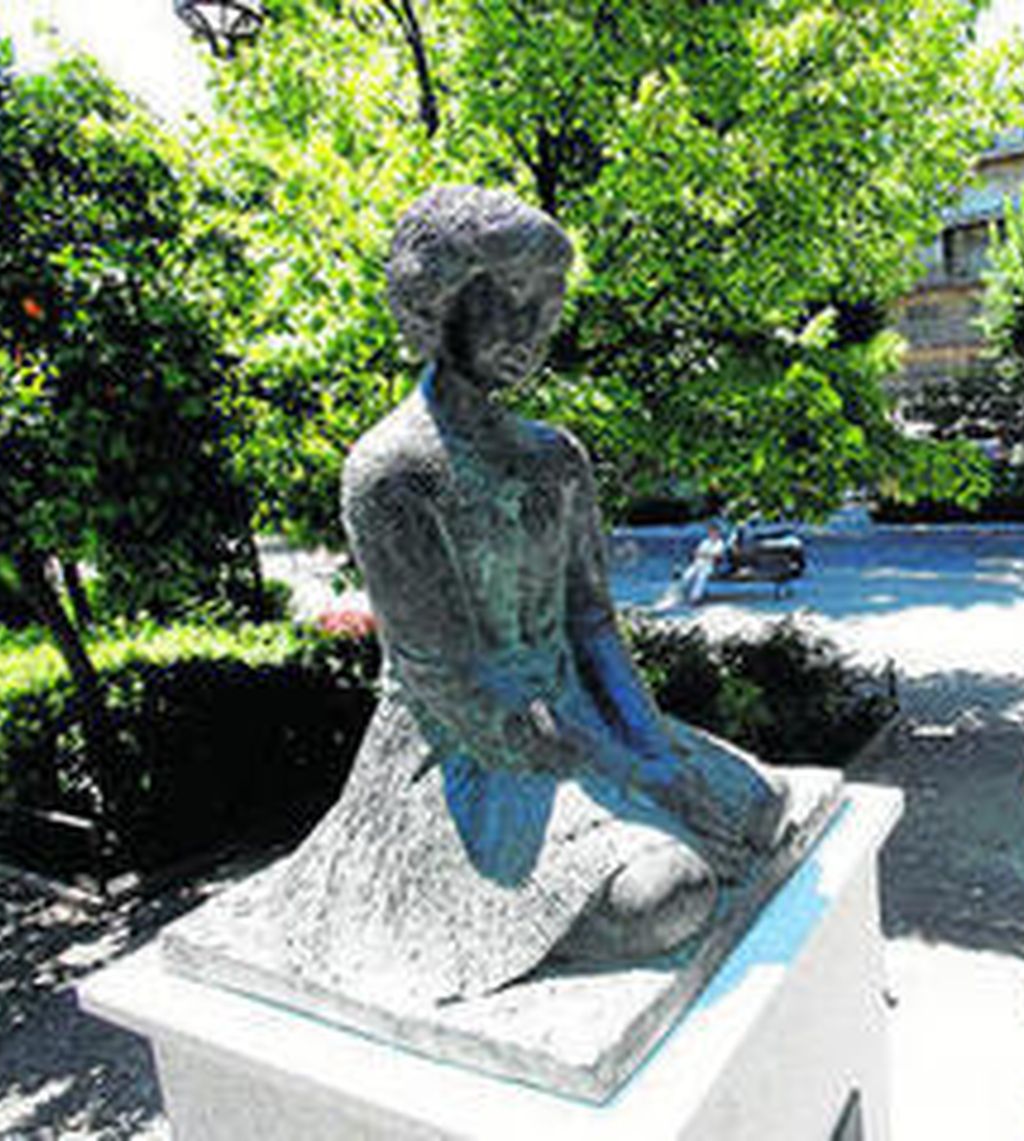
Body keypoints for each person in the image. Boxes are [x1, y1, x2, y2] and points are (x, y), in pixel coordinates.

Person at [207, 187, 789, 1004]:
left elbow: (592, 624)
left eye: (546, 312)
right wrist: (643, 779)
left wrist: (657, 756)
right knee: (671, 893)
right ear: (439, 295)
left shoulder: (558, 456)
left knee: (761, 804)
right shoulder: (391, 471)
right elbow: (455, 683)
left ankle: (661, 794)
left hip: (583, 723)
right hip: (469, 753)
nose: (530, 332)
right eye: (511, 300)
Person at [677, 521, 728, 605]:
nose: (713, 534)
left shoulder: (719, 543)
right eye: (711, 532)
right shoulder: (705, 542)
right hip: (698, 563)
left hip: (709, 565)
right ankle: (681, 593)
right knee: (687, 575)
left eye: (715, 532)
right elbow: (697, 552)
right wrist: (700, 554)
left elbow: (716, 555)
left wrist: (703, 554)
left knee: (701, 577)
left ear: (718, 533)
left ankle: (695, 598)